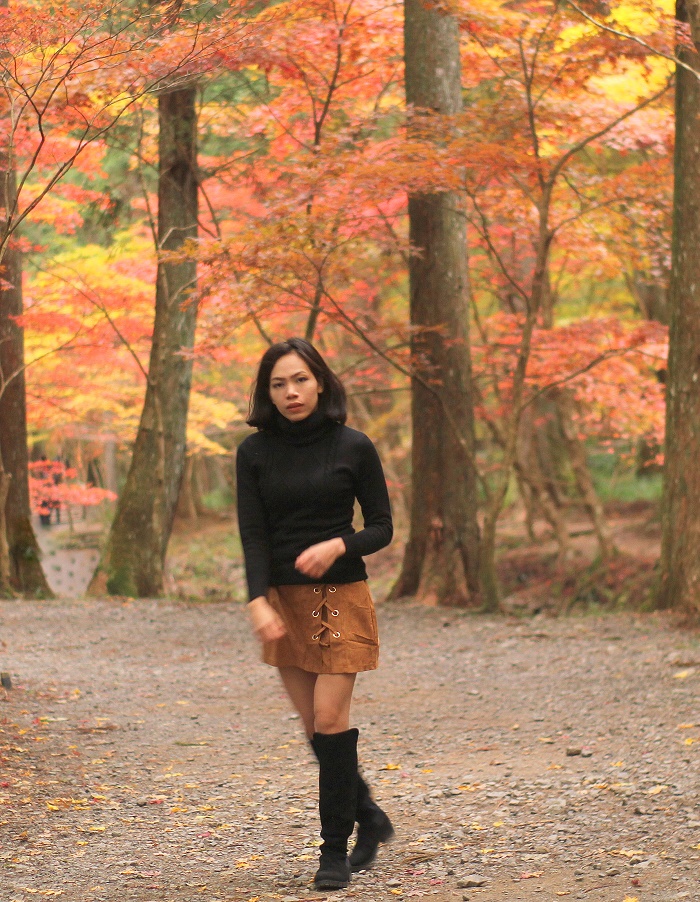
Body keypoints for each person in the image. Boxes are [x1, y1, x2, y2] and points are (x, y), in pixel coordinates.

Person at [236, 337, 395, 890]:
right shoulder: (253, 453)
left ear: (320, 382)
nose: (291, 392)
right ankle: (369, 815)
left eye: (300, 379)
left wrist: (338, 545)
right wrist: (257, 599)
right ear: (267, 392)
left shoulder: (354, 446)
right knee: (316, 731)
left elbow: (382, 526)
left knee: (330, 722)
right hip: (283, 601)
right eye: (278, 384)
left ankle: (333, 853)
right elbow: (253, 535)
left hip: (341, 597)